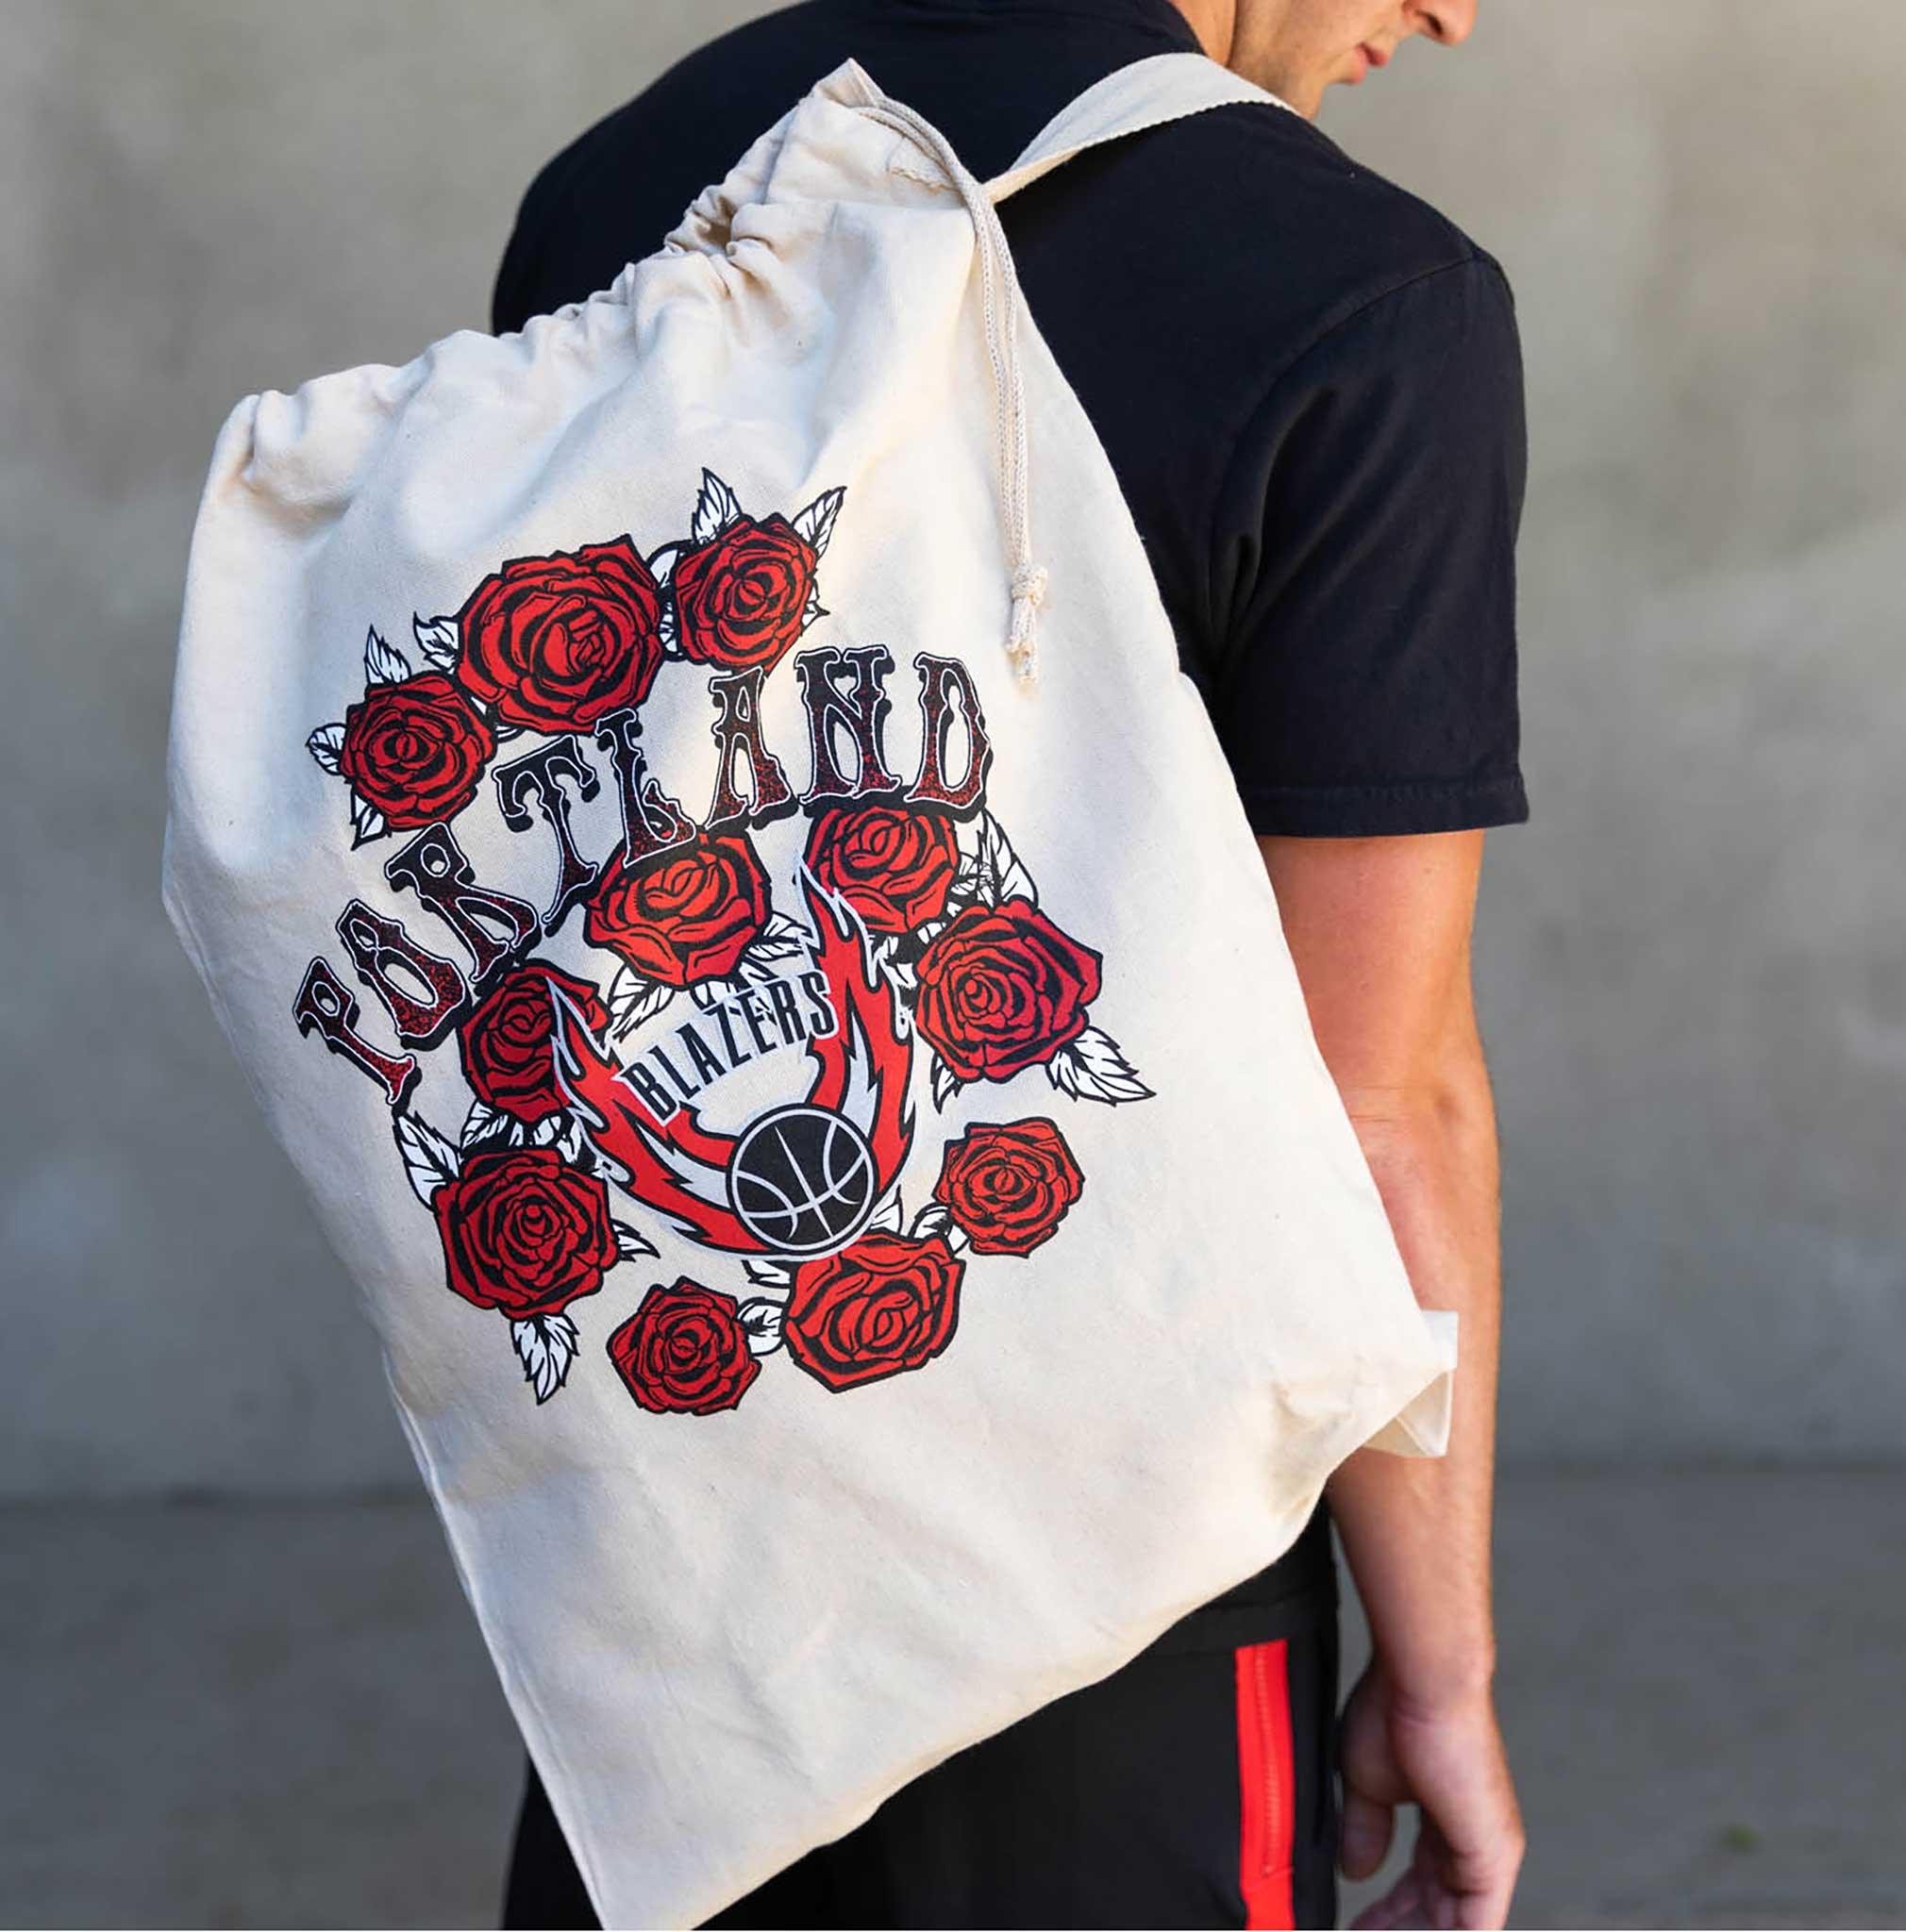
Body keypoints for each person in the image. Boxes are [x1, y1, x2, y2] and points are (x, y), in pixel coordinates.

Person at [492, 1, 1527, 1924]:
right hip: (1120, 1575)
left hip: (676, 1528)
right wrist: (1441, 1670)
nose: (1456, 11)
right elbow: (1381, 1107)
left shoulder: (629, 179)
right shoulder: (1366, 298)